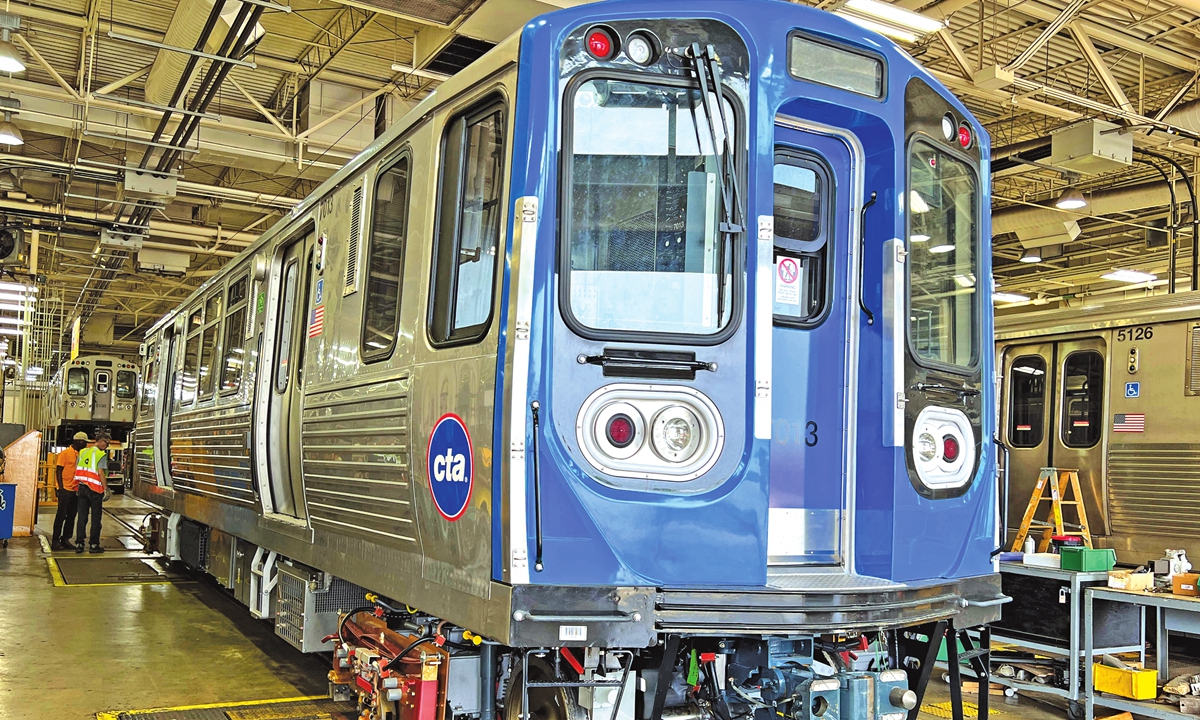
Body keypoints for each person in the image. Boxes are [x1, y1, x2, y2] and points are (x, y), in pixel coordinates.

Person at [50, 432, 88, 551]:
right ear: (77, 441)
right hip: (65, 489)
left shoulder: (82, 454)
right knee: (61, 515)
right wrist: (60, 488)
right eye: (84, 442)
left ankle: (65, 539)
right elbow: (59, 471)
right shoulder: (65, 454)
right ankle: (55, 541)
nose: (85, 444)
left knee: (71, 516)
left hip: (76, 489)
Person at [74, 432, 110, 554]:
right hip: (95, 490)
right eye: (106, 442)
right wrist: (106, 489)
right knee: (96, 519)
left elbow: (77, 468)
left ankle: (79, 544)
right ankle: (94, 545)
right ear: (100, 441)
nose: (107, 445)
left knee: (82, 518)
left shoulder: (83, 452)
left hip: (82, 488)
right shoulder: (101, 455)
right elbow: (100, 472)